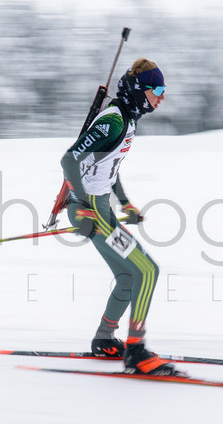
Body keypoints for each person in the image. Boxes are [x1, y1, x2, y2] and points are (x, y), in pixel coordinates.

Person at [59, 58, 185, 377]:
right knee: (148, 270)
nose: (162, 97)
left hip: (100, 209)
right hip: (89, 211)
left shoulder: (128, 119)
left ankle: (104, 339)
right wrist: (84, 206)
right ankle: (136, 350)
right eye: (158, 91)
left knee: (129, 277)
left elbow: (108, 168)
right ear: (141, 90)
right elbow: (70, 161)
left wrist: (125, 203)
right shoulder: (113, 121)